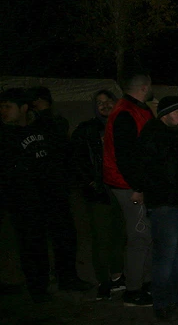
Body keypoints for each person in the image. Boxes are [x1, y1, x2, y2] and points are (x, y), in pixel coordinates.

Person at [1, 88, 89, 301]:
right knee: (32, 244)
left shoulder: (44, 125)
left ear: (23, 108)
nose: (3, 111)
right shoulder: (4, 135)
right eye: (1, 107)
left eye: (8, 106)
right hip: (25, 201)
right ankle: (38, 287)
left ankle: (68, 278)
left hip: (53, 195)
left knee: (65, 237)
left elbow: (63, 147)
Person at [139, 96, 178, 321]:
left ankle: (174, 294)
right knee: (166, 255)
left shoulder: (176, 135)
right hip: (166, 205)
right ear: (165, 115)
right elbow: (157, 173)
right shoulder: (154, 136)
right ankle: (162, 301)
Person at [103, 71, 156, 306]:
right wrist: (138, 187)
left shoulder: (133, 109)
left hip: (130, 183)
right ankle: (133, 290)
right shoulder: (126, 113)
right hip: (128, 186)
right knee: (139, 236)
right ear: (144, 87)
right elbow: (126, 156)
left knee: (144, 235)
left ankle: (143, 284)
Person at [72, 90, 127, 299]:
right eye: (99, 103)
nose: (104, 106)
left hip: (122, 189)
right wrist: (91, 181)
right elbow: (76, 160)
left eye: (108, 101)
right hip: (99, 191)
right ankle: (103, 281)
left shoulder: (124, 125)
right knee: (102, 237)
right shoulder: (86, 130)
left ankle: (117, 276)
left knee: (119, 235)